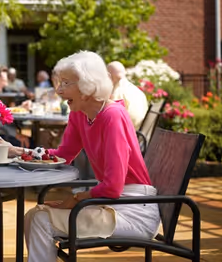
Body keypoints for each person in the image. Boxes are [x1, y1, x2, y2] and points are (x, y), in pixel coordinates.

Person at [24, 51, 160, 262]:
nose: (58, 89)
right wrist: (22, 152)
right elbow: (63, 155)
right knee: (35, 215)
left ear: (87, 87)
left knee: (40, 219)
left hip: (132, 211)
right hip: (109, 203)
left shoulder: (112, 116)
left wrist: (77, 198)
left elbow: (114, 186)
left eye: (65, 83)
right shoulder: (80, 114)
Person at [107, 61, 149, 129]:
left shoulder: (117, 93)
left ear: (109, 75)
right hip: (137, 132)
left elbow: (110, 117)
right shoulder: (138, 92)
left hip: (125, 134)